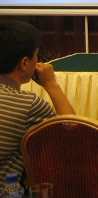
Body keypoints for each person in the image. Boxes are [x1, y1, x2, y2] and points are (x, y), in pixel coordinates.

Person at [0, 21, 75, 182]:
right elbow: (74, 133)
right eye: (37, 56)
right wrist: (51, 84)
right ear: (25, 63)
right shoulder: (27, 105)